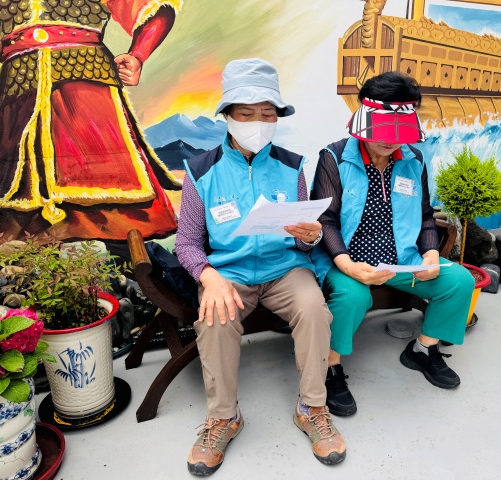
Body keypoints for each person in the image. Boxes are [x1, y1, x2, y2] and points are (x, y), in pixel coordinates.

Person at [175, 58, 346, 476]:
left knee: (314, 309)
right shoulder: (200, 171)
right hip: (229, 272)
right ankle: (224, 417)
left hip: (285, 267)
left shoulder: (292, 165)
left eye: (267, 114)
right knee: (214, 318)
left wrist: (309, 236)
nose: (258, 123)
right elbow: (187, 243)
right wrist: (209, 277)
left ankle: (312, 408)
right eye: (247, 113)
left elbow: (304, 238)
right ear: (228, 116)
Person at [310, 72, 476, 417]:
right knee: (352, 296)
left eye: (399, 132)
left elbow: (426, 216)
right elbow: (325, 220)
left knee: (459, 280)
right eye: (384, 131)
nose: (390, 141)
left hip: (402, 259)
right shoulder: (334, 158)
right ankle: (330, 365)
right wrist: (348, 265)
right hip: (348, 260)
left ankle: (422, 349)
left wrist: (431, 254)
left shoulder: (413, 160)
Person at [0, 0, 182, 242]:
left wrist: (138, 54)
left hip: (84, 84)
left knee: (105, 193)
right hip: (19, 88)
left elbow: (151, 7)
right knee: (13, 203)